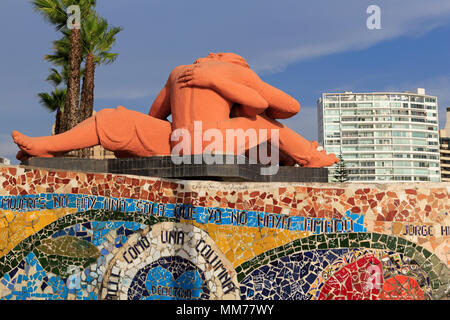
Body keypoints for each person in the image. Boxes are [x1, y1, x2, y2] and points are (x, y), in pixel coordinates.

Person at [12, 52, 338, 167]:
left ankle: (44, 146)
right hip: (208, 142)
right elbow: (286, 107)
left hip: (176, 143)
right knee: (266, 126)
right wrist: (225, 86)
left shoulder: (177, 71)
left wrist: (134, 137)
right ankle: (311, 157)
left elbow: (155, 117)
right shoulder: (236, 71)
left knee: (114, 118)